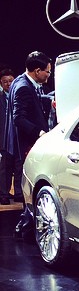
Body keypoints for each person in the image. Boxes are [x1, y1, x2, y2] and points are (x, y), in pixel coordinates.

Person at [5, 51, 52, 236]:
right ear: (37, 70)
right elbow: (19, 118)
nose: (49, 75)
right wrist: (40, 133)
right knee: (30, 187)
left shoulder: (21, 81)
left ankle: (27, 225)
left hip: (25, 145)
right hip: (28, 146)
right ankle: (26, 227)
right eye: (47, 72)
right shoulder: (24, 87)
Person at [0, 68, 15, 205]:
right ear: (1, 83)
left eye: (11, 81)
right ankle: (3, 194)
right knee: (5, 168)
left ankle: (18, 193)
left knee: (17, 166)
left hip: (16, 137)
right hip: (3, 138)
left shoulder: (18, 95)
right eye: (5, 82)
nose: (8, 84)